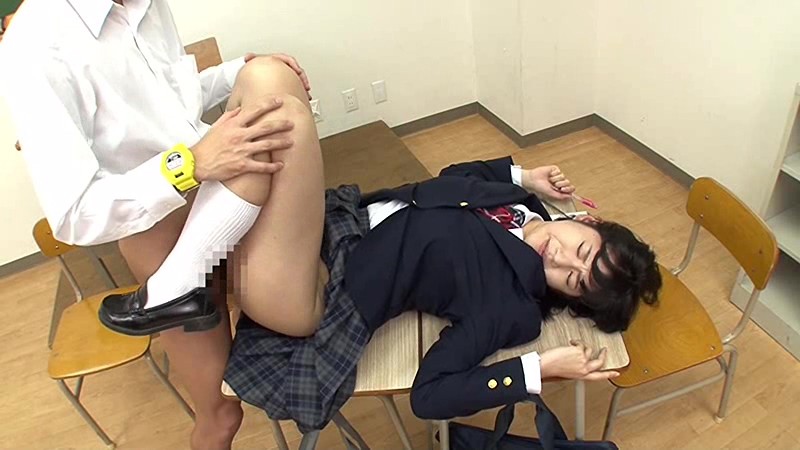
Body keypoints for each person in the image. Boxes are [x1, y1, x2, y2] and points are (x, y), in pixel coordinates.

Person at [0, 0, 328, 447]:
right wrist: (189, 165)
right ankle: (177, 285)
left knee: (268, 75)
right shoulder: (34, 44)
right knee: (219, 416)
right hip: (159, 224)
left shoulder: (144, 5)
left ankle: (173, 290)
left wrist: (236, 73)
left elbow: (167, 106)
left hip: (223, 194)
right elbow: (74, 216)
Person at [223, 156, 663, 431]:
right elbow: (454, 179)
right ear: (587, 222)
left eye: (574, 281)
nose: (562, 260)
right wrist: (526, 176)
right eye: (581, 250)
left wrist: (539, 368)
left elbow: (429, 396)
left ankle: (213, 403)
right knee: (273, 102)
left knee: (248, 175)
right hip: (337, 214)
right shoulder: (522, 202)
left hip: (329, 279)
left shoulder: (512, 307)